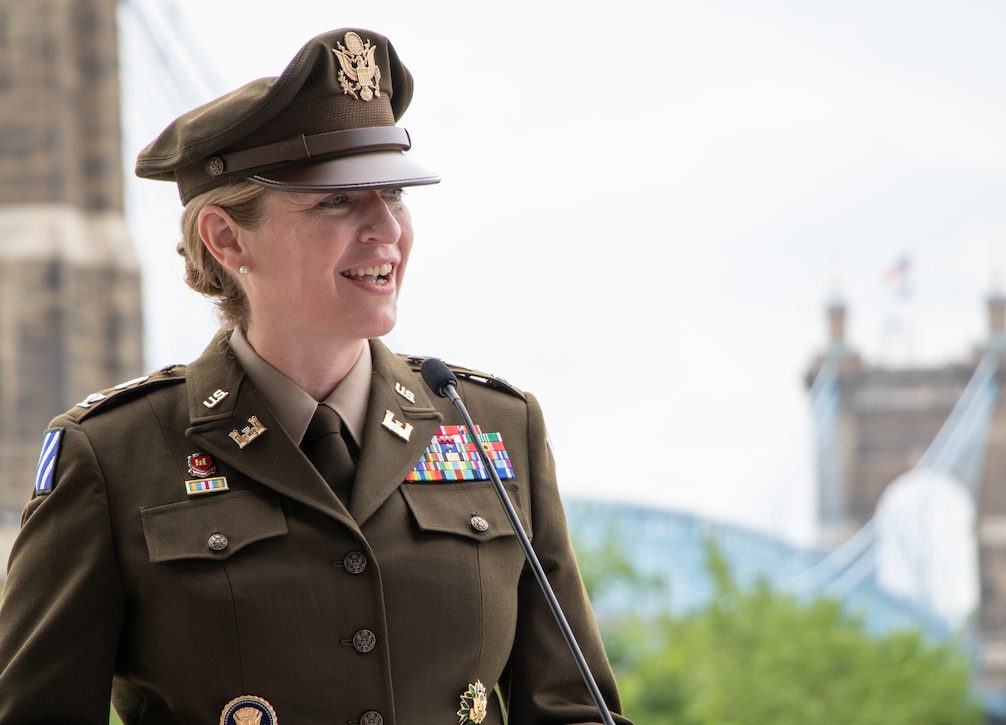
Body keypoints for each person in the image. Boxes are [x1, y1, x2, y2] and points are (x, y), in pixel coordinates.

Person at [0, 27, 631, 725]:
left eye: (393, 192)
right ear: (227, 237)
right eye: (338, 200)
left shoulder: (493, 427)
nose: (386, 227)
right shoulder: (114, 455)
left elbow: (572, 711)